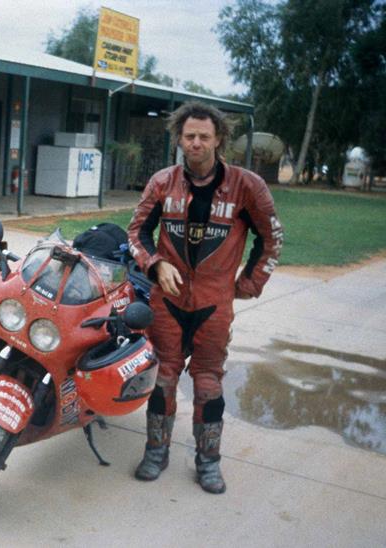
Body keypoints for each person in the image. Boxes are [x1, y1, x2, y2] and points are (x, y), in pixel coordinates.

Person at [126, 101, 283, 493]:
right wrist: (156, 265)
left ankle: (208, 461)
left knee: (209, 383)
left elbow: (271, 239)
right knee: (162, 377)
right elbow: (136, 234)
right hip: (168, 301)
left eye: (204, 137)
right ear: (179, 138)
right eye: (189, 136)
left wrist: (247, 284)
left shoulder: (248, 186)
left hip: (215, 305)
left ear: (219, 140)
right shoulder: (162, 182)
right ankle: (155, 451)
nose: (195, 143)